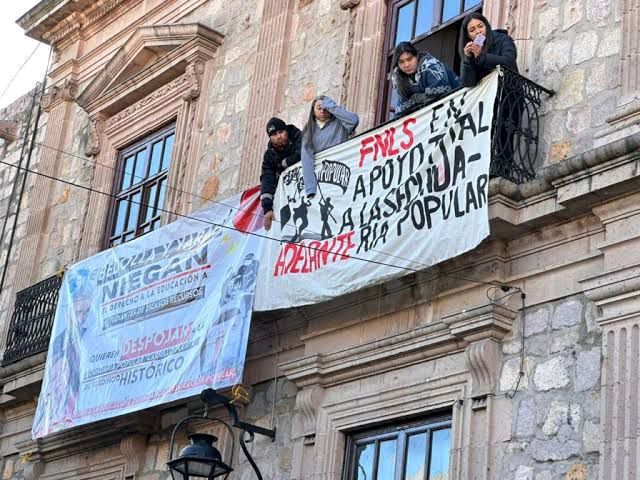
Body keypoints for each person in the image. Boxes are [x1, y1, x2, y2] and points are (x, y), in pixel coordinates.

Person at [301, 96, 359, 198]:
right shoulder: (308, 131)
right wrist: (310, 188)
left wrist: (331, 107)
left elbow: (353, 120)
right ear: (313, 110)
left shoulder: (340, 122)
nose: (322, 111)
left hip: (341, 172)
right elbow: (307, 159)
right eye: (319, 108)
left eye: (325, 108)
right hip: (322, 176)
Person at [391, 42, 460, 117]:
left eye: (409, 59)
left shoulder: (430, 65)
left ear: (416, 56)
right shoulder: (398, 77)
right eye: (401, 62)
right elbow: (402, 111)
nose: (406, 65)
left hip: (458, 104)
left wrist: (416, 97)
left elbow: (440, 95)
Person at [260, 117, 302, 230]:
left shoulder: (297, 136)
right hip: (289, 197)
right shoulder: (269, 155)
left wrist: (284, 164)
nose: (278, 136)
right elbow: (267, 179)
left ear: (286, 131)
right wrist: (267, 208)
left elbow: (303, 152)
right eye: (274, 135)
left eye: (281, 132)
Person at [458, 12, 518, 87]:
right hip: (484, 97)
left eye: (480, 26)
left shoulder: (503, 39)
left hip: (507, 94)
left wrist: (482, 57)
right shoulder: (470, 52)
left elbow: (510, 60)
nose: (478, 31)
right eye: (472, 30)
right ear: (468, 36)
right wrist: (468, 60)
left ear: (486, 26)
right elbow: (468, 84)